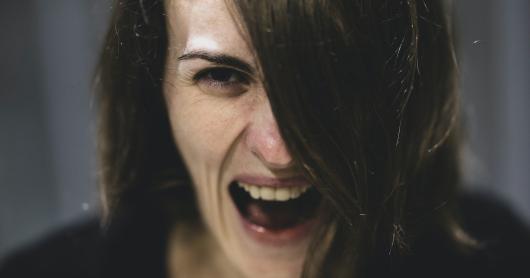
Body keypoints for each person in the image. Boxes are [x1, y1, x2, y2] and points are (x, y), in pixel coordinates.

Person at [1, 0, 529, 277]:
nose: (282, 150)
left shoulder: (494, 258)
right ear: (153, 88)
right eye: (222, 76)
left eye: (328, 76)